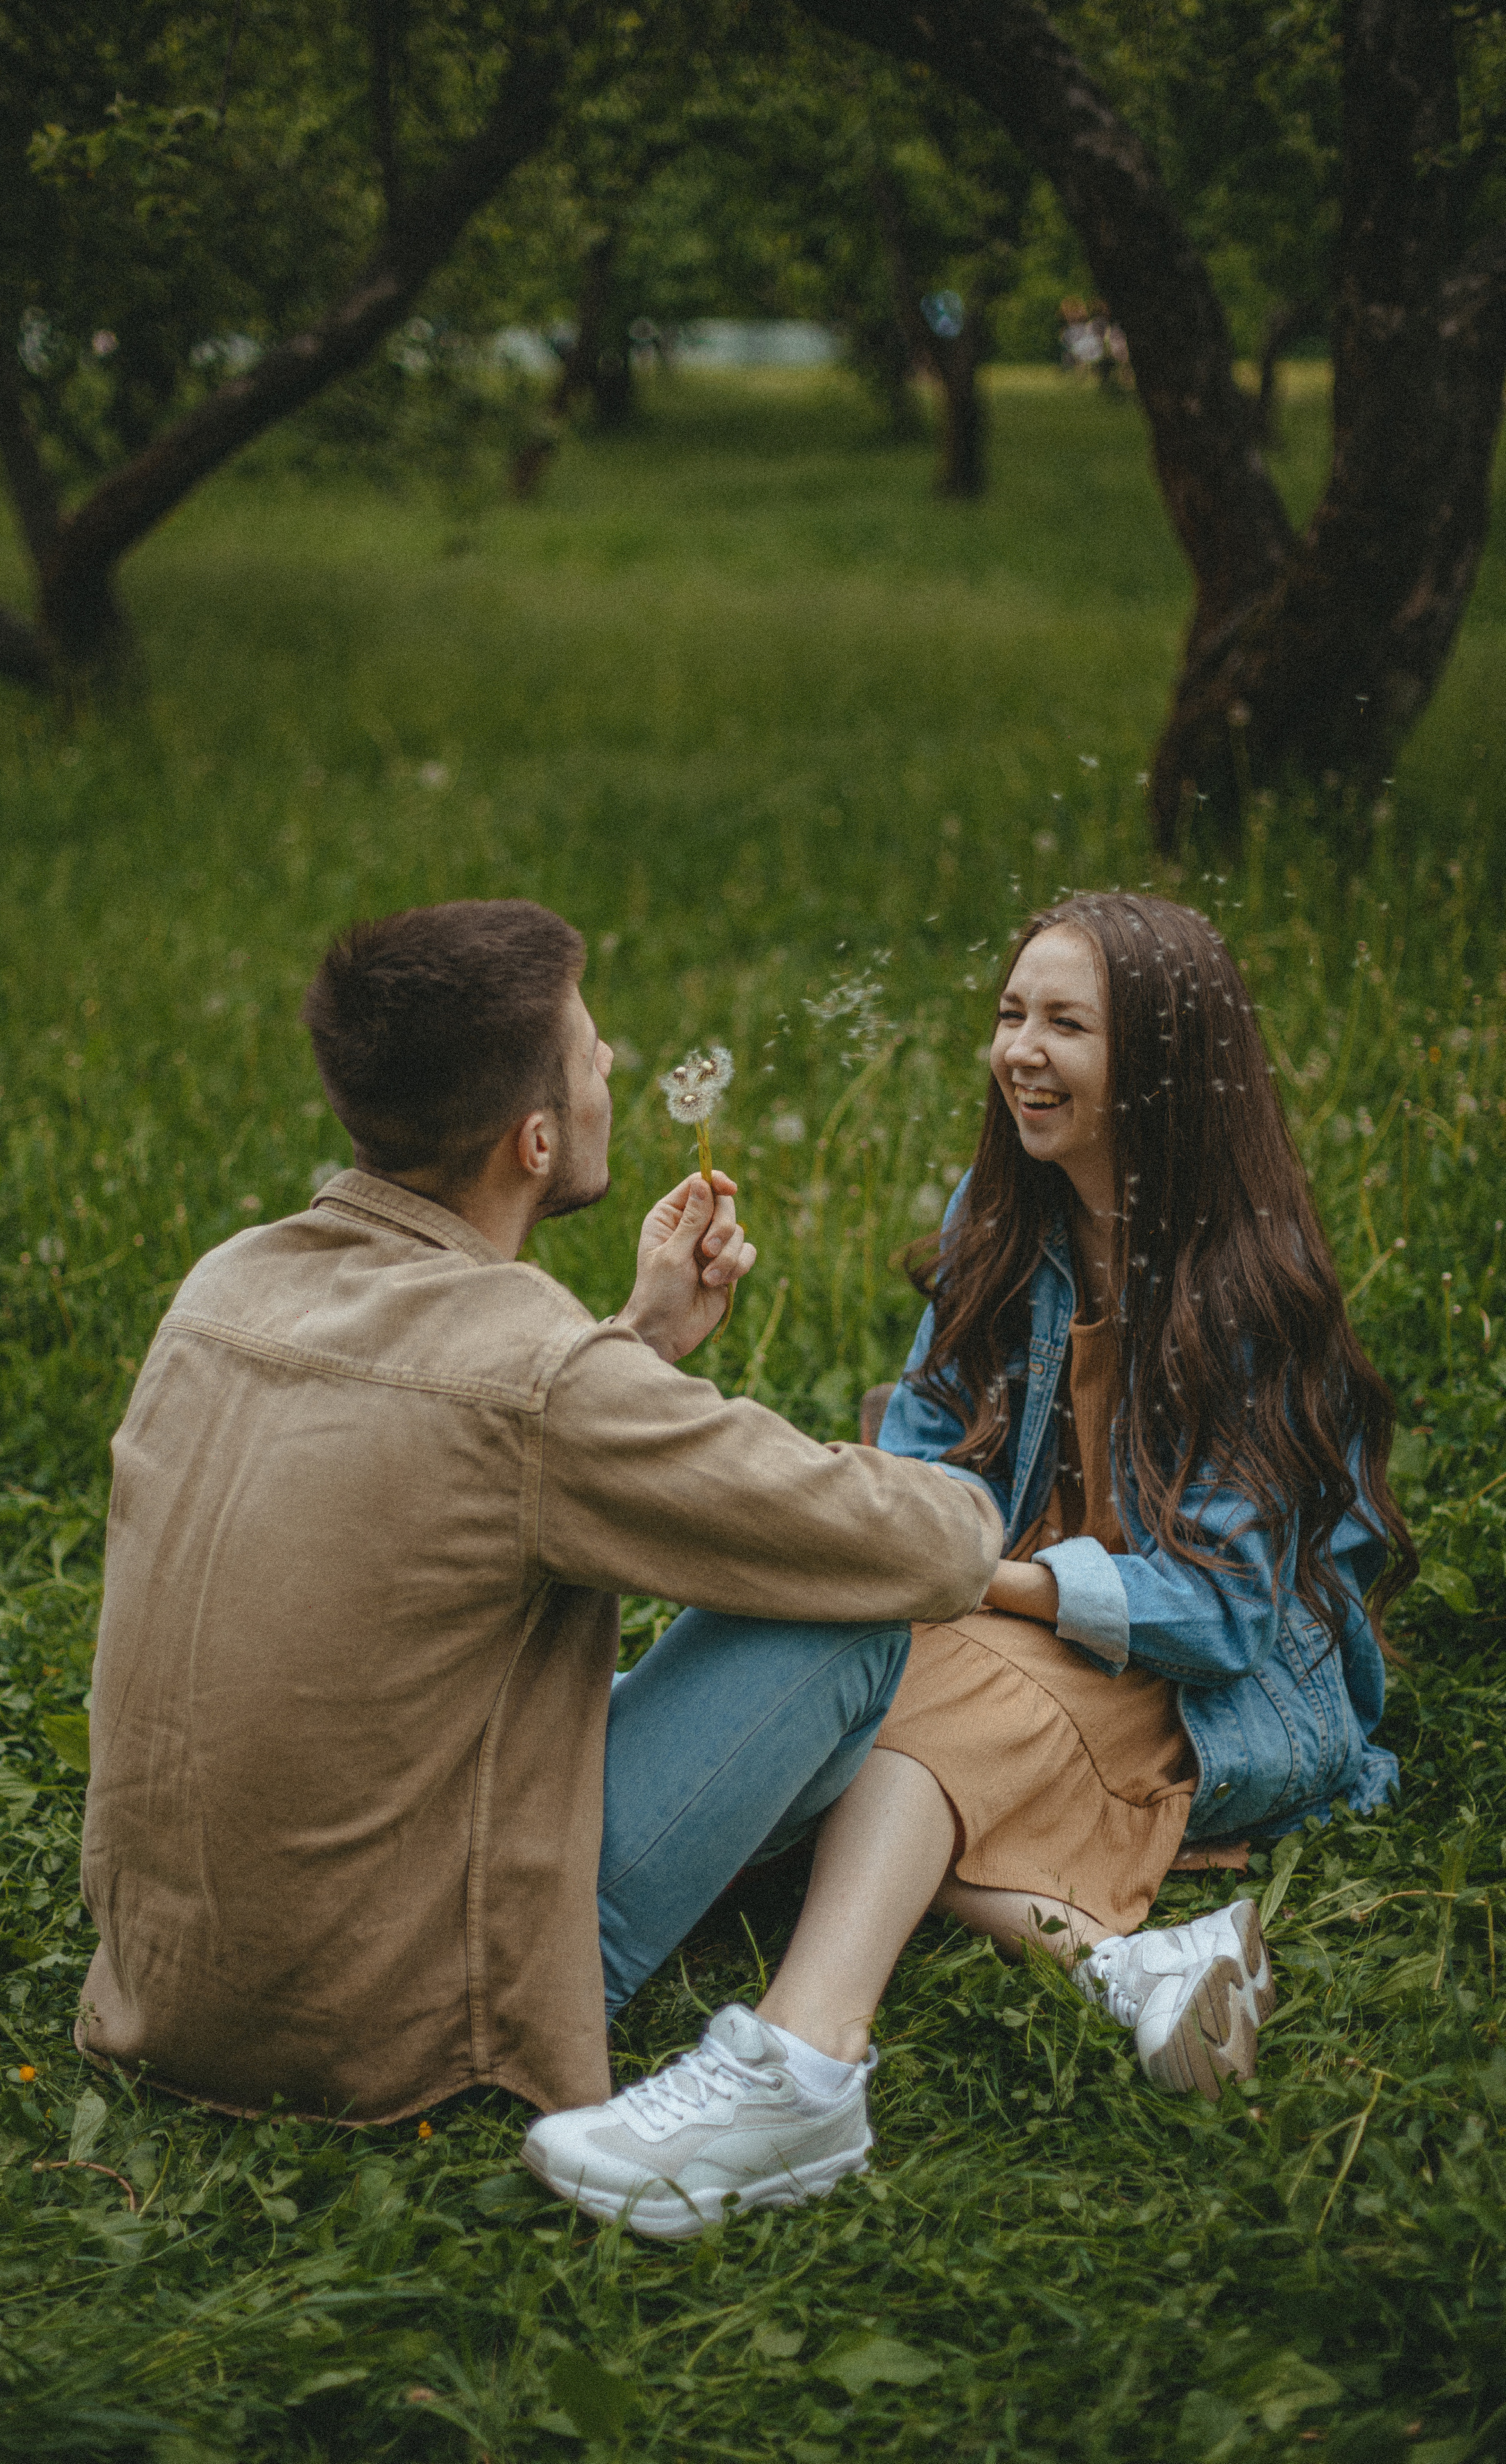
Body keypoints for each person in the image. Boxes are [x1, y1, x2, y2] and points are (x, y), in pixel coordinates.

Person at [528, 893, 1414, 2238]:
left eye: (1067, 1025)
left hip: (1200, 1678)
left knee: (890, 1729)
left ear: (1165, 1063)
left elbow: (1227, 1613)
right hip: (1003, 1614)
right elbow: (932, 1463)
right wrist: (883, 1532)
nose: (1020, 1052)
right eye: (1010, 1015)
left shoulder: (1244, 1282)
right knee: (830, 1692)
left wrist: (970, 1579)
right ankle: (1124, 1969)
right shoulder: (997, 1219)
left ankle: (803, 2056)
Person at [76, 900, 1002, 2160]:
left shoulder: (223, 1282)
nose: (611, 1062)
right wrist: (974, 1484)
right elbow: (924, 1553)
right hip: (389, 2017)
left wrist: (639, 1344)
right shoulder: (535, 1374)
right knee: (848, 1626)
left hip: (161, 1985)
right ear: (537, 1140)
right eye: (588, 1054)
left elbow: (451, 1461)